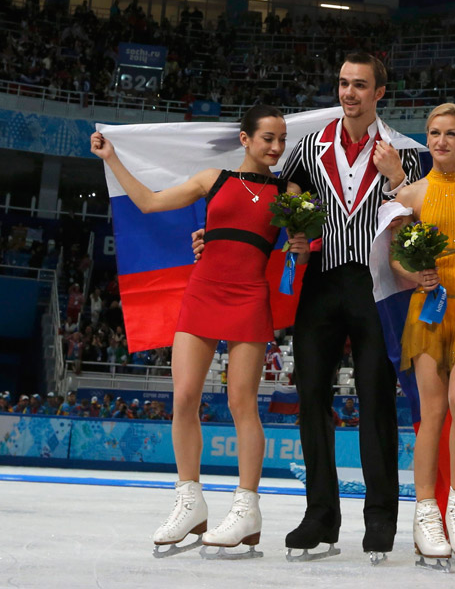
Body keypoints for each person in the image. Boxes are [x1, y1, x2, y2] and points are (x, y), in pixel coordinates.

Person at [194, 52, 422, 561]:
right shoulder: (308, 148)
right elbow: (270, 199)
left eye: (360, 85)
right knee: (312, 397)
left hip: (377, 284)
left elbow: (424, 212)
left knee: (376, 402)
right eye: (343, 83)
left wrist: (396, 178)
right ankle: (320, 515)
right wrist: (221, 234)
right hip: (320, 281)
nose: (349, 93)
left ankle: (381, 515)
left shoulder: (404, 151)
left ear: (379, 92)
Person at [91, 104, 310, 557]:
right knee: (185, 396)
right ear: (246, 140)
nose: (276, 146)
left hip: (250, 297)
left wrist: (301, 246)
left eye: (282, 139)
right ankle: (190, 501)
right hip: (202, 291)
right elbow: (150, 203)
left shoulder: (290, 193)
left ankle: (247, 508)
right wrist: (112, 158)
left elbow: (300, 256)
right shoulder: (214, 179)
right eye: (268, 138)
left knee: (241, 404)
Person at [389, 104, 455, 566]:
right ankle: (426, 510)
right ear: (427, 139)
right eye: (434, 133)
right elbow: (394, 259)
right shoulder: (410, 195)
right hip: (428, 309)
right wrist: (416, 277)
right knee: (431, 411)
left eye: (452, 133)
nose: (442, 141)